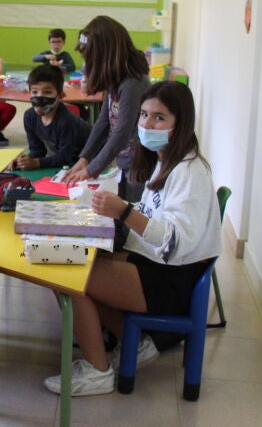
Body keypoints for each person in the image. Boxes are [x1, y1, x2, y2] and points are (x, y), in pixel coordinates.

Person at [43, 81, 222, 396]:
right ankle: (136, 342)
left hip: (173, 279)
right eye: (143, 114)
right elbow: (155, 212)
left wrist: (123, 212)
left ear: (180, 123)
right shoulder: (166, 159)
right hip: (158, 265)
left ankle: (97, 371)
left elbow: (177, 241)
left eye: (159, 117)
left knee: (67, 272)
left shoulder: (189, 171)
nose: (147, 124)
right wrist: (115, 208)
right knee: (80, 255)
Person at [61, 16, 150, 247]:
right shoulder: (115, 79)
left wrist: (92, 169)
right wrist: (85, 158)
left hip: (140, 165)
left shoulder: (131, 83)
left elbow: (121, 132)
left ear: (106, 56)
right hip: (127, 162)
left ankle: (129, 257)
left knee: (132, 218)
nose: (88, 65)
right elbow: (103, 122)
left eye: (91, 59)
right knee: (122, 212)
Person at [13, 65, 92, 170]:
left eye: (47, 92)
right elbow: (37, 151)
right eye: (35, 92)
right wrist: (22, 161)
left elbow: (64, 157)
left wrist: (36, 163)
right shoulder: (29, 117)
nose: (40, 97)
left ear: (60, 96)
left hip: (93, 156)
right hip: (72, 159)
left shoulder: (66, 121)